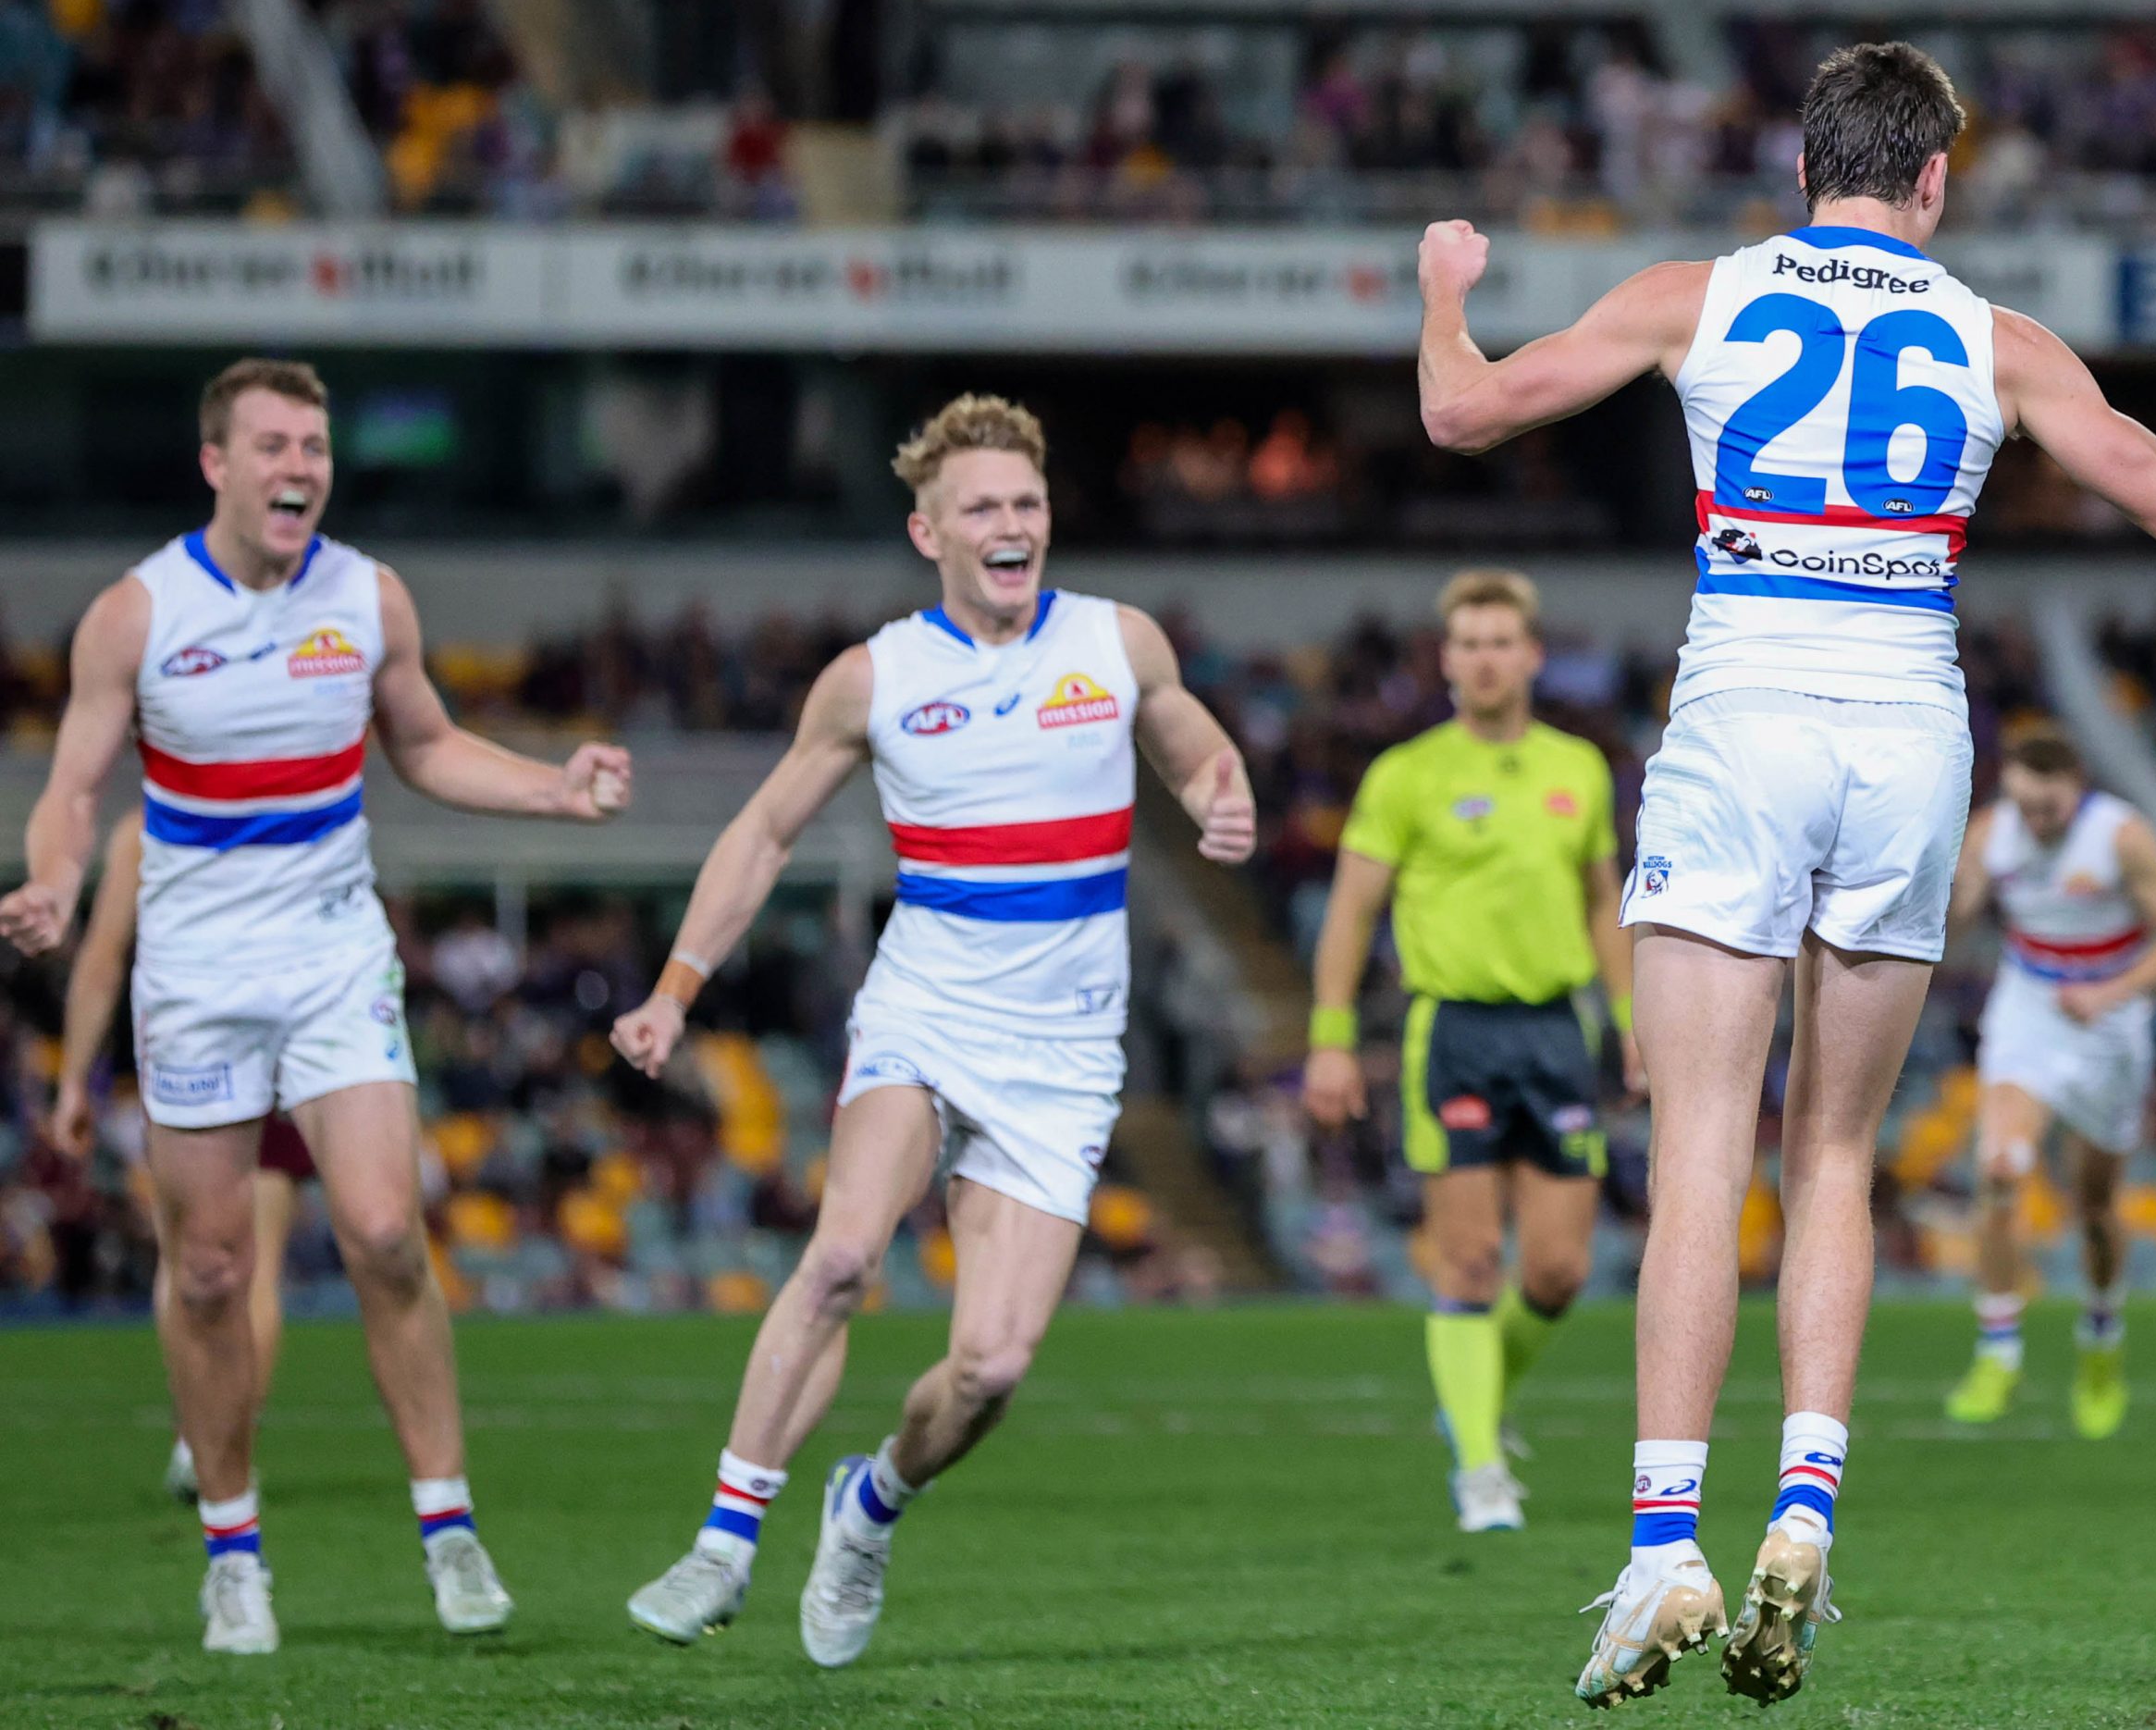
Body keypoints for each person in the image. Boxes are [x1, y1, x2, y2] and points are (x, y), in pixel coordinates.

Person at [1413, 42, 2156, 1708]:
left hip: (1746, 712)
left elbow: (1462, 409)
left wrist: (1448, 288)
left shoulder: (1698, 293)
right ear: (1937, 180)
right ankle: (1803, 1509)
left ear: (1803, 165)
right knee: (1835, 1154)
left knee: (1699, 1157)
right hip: (1909, 726)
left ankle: (1665, 1540)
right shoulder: (1999, 338)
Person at [0, 359, 633, 1655]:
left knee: (387, 1228)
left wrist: (551, 790)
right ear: (215, 463)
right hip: (196, 979)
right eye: (276, 445)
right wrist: (56, 881)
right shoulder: (137, 612)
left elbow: (428, 743)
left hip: (336, 957)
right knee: (216, 1267)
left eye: (317, 447)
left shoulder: (369, 594)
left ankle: (449, 1527)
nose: (302, 467)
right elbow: (72, 786)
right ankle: (234, 1553)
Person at [614, 393, 1254, 1666]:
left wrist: (1218, 797)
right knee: (846, 1254)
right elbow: (763, 834)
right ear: (929, 533)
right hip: (924, 1014)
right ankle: (725, 1540)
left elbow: (1193, 747)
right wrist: (674, 989)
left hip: (1064, 1053)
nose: (1012, 526)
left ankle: (871, 1505)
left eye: (1027, 504)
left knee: (992, 1371)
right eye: (984, 509)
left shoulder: (1116, 643)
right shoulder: (876, 677)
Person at [1301, 568, 1639, 1534]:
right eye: (1468, 643)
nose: (1485, 659)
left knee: (1559, 1272)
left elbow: (1598, 903)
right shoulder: (1406, 775)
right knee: (1468, 1261)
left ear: (1531, 655)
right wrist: (1329, 1040)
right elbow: (1351, 910)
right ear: (1445, 660)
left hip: (1553, 1028)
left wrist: (1628, 1015)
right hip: (1451, 1029)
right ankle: (1481, 1470)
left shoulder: (1576, 768)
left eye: (1501, 642)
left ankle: (1479, 1403)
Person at [47, 810, 318, 1504]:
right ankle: (223, 1448)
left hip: (189, 1056)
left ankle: (197, 1441)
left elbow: (103, 958)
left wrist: (75, 1077)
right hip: (271, 1049)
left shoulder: (142, 831)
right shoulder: (288, 812)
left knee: (189, 1260)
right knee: (255, 1266)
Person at [1942, 723, 2156, 1439]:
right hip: (2027, 1007)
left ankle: (2101, 1339)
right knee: (2000, 1167)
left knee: (2094, 1205)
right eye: (2024, 805)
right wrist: (1947, 905)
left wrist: (2110, 993)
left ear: (2076, 791)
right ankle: (1998, 1349)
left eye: (2048, 809)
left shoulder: (2122, 838)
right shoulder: (1992, 833)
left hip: (2108, 1025)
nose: (2035, 822)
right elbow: (1953, 922)